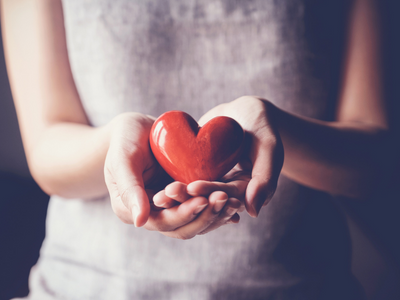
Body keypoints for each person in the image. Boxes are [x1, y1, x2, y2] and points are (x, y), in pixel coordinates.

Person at [2, 0, 391, 299]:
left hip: (301, 286)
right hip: (86, 287)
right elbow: (46, 147)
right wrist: (114, 145)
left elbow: (374, 163)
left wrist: (277, 128)